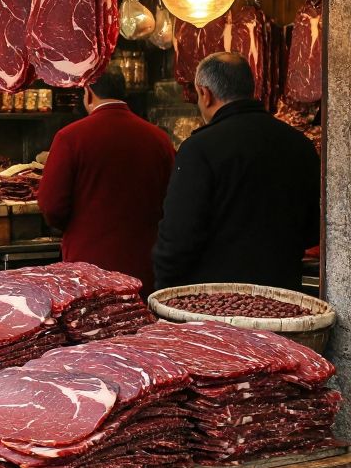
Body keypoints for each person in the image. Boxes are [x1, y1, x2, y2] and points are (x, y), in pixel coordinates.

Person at [153, 53, 321, 290]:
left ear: (205, 93)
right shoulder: (300, 144)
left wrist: (163, 289)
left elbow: (178, 238)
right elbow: (313, 232)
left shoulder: (199, 148)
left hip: (216, 303)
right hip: (283, 297)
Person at [37, 67, 175, 292]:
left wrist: (76, 226)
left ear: (88, 93)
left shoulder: (70, 137)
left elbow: (51, 206)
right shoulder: (159, 139)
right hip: (145, 265)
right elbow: (172, 201)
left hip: (88, 268)